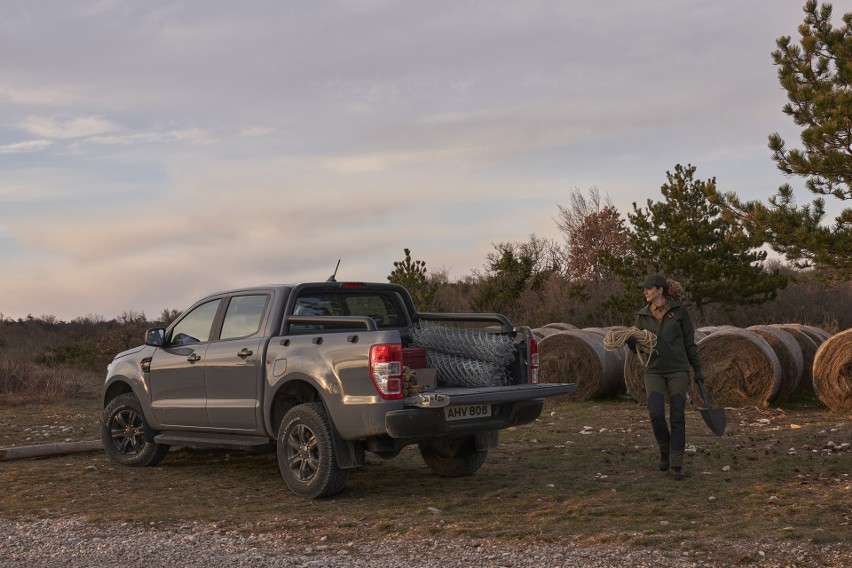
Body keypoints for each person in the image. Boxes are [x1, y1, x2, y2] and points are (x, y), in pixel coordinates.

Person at [629, 274, 703, 481]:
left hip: (678, 370)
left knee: (678, 416)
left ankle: (677, 463)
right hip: (653, 370)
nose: (645, 292)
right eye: (644, 289)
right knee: (655, 414)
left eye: (648, 288)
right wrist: (630, 342)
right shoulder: (642, 316)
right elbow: (638, 348)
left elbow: (690, 343)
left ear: (660, 290)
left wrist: (697, 370)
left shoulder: (679, 311)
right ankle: (665, 450)